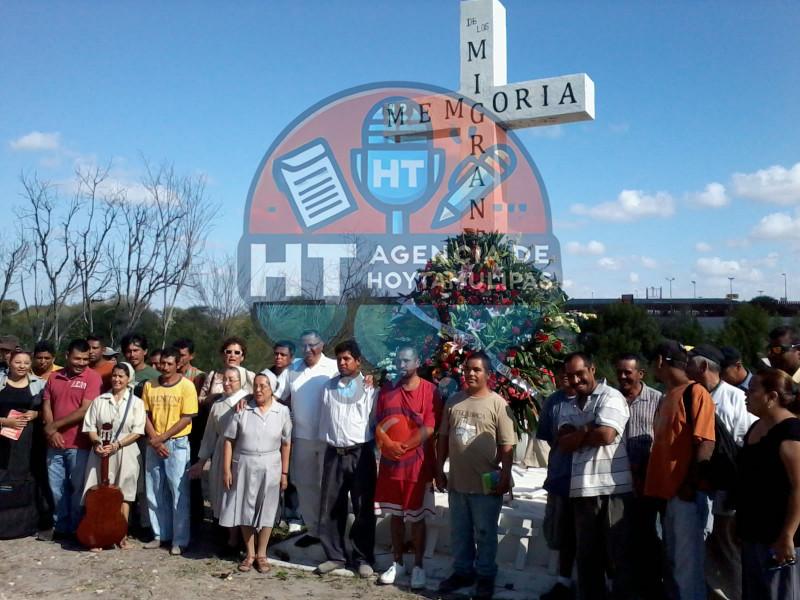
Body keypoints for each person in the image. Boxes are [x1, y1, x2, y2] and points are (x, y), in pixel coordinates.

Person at [437, 352, 516, 600]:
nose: (470, 373)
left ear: (487, 374)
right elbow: (443, 438)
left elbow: (506, 444)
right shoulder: (453, 402)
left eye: (476, 370)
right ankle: (462, 572)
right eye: (467, 369)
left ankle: (485, 575)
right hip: (458, 483)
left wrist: (506, 476)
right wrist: (439, 469)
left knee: (485, 533)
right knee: (459, 532)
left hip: (487, 486)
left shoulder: (498, 404)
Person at [557, 352, 633, 600]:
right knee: (587, 558)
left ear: (592, 370)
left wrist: (581, 433)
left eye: (580, 373)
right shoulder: (568, 404)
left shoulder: (612, 396)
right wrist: (591, 427)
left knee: (617, 556)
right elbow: (564, 442)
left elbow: (606, 436)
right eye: (571, 376)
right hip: (582, 490)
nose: (576, 380)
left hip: (612, 489)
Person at [645, 340, 716, 600]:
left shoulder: (696, 393)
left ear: (661, 361)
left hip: (685, 495)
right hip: (668, 496)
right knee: (675, 567)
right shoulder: (667, 396)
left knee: (687, 570)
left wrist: (689, 485)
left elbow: (706, 442)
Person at [688, 344, 754, 600]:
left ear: (703, 366)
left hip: (729, 487)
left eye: (690, 361)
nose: (686, 366)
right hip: (703, 486)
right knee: (710, 549)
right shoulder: (692, 395)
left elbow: (743, 441)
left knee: (728, 547)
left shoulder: (735, 397)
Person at [374, 345, 438, 589]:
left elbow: (430, 427)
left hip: (418, 464)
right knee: (397, 515)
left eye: (407, 361)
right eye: (399, 360)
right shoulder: (387, 390)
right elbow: (379, 424)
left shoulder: (430, 391)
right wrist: (388, 444)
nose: (402, 365)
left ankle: (419, 566)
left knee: (417, 517)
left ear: (418, 362)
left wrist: (405, 446)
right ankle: (397, 561)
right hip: (391, 464)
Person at [315, 340, 377, 578]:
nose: (342, 362)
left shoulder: (370, 387)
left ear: (358, 361)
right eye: (339, 358)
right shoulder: (328, 387)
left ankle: (363, 558)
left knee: (363, 508)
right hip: (334, 453)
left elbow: (374, 421)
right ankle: (335, 556)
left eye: (347, 358)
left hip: (360, 454)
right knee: (330, 507)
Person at [219, 372, 291, 574]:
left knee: (267, 509)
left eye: (263, 386)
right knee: (245, 508)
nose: (258, 390)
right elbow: (229, 440)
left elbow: (286, 443)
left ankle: (262, 554)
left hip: (271, 464)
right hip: (244, 463)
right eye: (256, 386)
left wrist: (284, 473)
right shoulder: (243, 410)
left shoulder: (282, 411)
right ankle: (249, 553)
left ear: (272, 389)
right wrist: (226, 470)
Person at [737, 368, 800, 599]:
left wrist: (788, 535)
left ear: (772, 397)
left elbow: (798, 487)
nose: (746, 394)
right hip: (753, 533)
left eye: (752, 390)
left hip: (780, 538)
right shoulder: (756, 428)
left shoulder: (792, 432)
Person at [41, 338, 102, 540]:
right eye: (77, 358)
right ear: (67, 356)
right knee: (56, 487)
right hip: (54, 443)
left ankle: (77, 528)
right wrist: (51, 432)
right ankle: (61, 526)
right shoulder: (54, 376)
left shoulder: (92, 378)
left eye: (85, 359)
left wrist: (55, 426)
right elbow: (47, 405)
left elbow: (85, 409)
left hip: (79, 444)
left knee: (77, 488)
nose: (81, 363)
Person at [80, 362, 146, 550]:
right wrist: (97, 443)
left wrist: (118, 445)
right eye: (114, 376)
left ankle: (121, 534)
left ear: (129, 379)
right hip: (101, 452)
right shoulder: (100, 400)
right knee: (96, 492)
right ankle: (96, 534)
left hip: (126, 451)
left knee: (125, 493)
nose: (117, 379)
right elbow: (90, 426)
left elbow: (138, 431)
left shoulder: (136, 403)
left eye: (121, 376)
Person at [615, 353, 663, 600]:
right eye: (619, 371)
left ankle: (650, 587)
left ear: (640, 374)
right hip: (617, 481)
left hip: (647, 481)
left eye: (628, 372)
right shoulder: (611, 399)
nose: (623, 376)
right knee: (620, 537)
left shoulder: (657, 399)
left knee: (648, 535)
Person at [285, 329, 339, 548]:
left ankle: (331, 532)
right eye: (304, 346)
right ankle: (314, 530)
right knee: (305, 484)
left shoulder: (335, 367)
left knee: (326, 486)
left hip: (327, 437)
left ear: (322, 344)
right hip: (302, 437)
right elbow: (279, 394)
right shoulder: (293, 368)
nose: (308, 350)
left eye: (312, 345)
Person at [141, 347, 198, 555]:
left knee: (178, 492)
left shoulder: (186, 386)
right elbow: (144, 413)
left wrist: (162, 438)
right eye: (161, 363)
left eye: (169, 364)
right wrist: (154, 439)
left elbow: (187, 417)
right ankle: (159, 534)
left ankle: (179, 539)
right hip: (154, 442)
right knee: (154, 489)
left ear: (177, 365)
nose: (164, 367)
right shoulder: (150, 385)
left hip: (176, 443)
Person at [188, 365, 248, 551]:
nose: (227, 384)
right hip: (221, 453)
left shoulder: (247, 402)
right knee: (220, 496)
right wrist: (201, 461)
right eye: (225, 380)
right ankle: (224, 536)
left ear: (242, 381)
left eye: (232, 380)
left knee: (239, 496)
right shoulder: (218, 405)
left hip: (241, 453)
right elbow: (209, 436)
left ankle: (239, 540)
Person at [536, 367, 577, 600]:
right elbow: (549, 437)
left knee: (587, 533)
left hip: (587, 480)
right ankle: (563, 582)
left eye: (571, 372)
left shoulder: (595, 399)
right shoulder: (553, 401)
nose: (565, 376)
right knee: (560, 531)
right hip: (559, 476)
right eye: (562, 371)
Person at [0, 350, 45, 539]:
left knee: (28, 480)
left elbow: (50, 411)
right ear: (9, 362)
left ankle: (26, 525)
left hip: (28, 443)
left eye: (26, 362)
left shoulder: (40, 385)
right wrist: (4, 422)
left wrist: (37, 414)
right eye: (18, 362)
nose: (22, 366)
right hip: (2, 443)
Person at [262, 340, 301, 533]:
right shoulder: (266, 375)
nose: (278, 357)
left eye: (283, 355)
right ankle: (274, 513)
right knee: (272, 473)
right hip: (270, 430)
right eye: (276, 354)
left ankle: (293, 514)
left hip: (293, 430)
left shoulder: (297, 374)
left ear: (291, 357)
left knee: (290, 473)